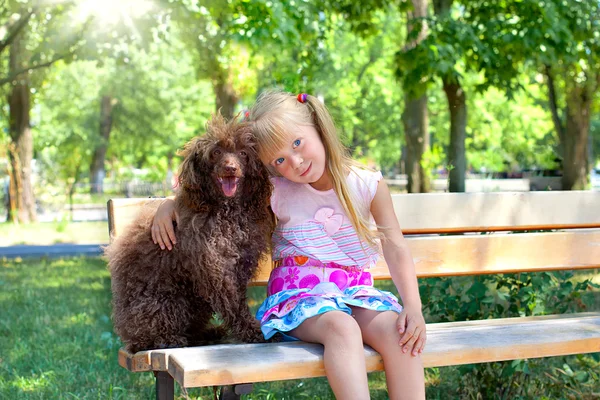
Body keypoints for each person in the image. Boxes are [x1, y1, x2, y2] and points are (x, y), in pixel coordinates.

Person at [151, 91, 426, 399]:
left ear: (318, 127)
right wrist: (169, 205)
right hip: (298, 297)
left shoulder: (366, 184)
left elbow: (396, 247)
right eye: (279, 160)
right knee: (342, 327)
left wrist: (413, 308)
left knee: (400, 333)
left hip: (355, 291)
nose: (295, 162)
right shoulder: (274, 191)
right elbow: (211, 197)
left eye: (297, 143)